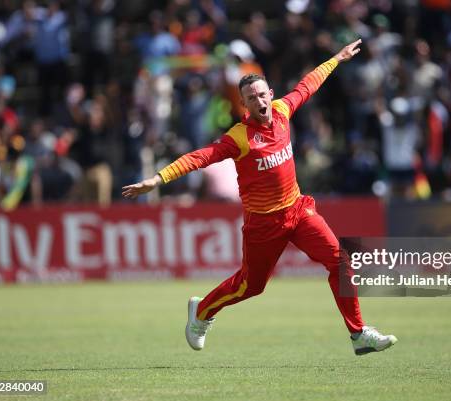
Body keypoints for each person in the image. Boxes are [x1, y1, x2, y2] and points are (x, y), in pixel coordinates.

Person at [122, 39, 398, 355]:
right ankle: (202, 312)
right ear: (244, 105)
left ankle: (358, 334)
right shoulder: (239, 138)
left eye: (262, 94)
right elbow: (200, 157)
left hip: (298, 210)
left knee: (340, 261)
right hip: (264, 224)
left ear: (270, 95)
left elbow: (307, 85)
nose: (259, 101)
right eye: (251, 98)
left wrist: (337, 58)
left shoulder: (282, 110)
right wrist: (158, 179)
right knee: (250, 286)